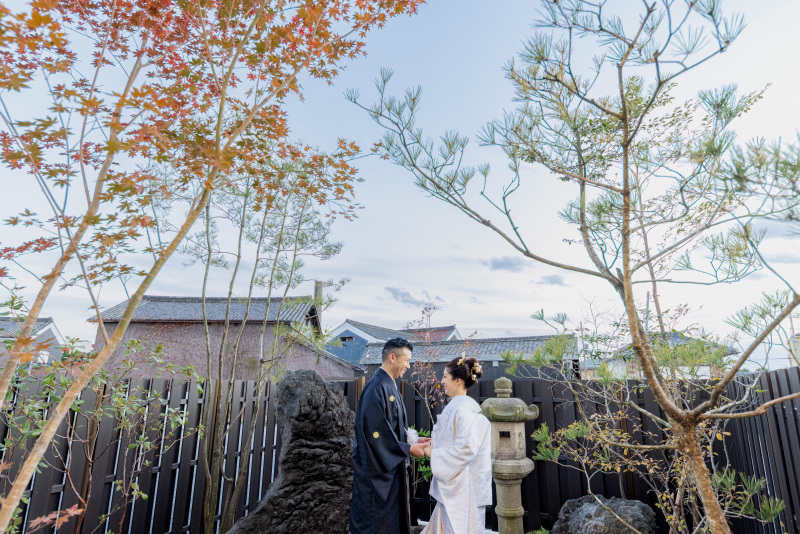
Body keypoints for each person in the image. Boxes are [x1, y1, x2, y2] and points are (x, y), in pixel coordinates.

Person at [350, 338, 430, 534]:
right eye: (407, 360)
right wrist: (408, 449)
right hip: (376, 479)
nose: (409, 366)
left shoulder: (390, 386)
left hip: (390, 475)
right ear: (392, 357)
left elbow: (393, 427)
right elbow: (375, 434)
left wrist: (414, 440)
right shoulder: (377, 387)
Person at [420, 356, 491, 534]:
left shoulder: (462, 410)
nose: (442, 381)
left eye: (445, 376)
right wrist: (432, 444)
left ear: (457, 380)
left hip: (461, 493)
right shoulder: (459, 408)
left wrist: (433, 454)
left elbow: (466, 449)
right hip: (456, 489)